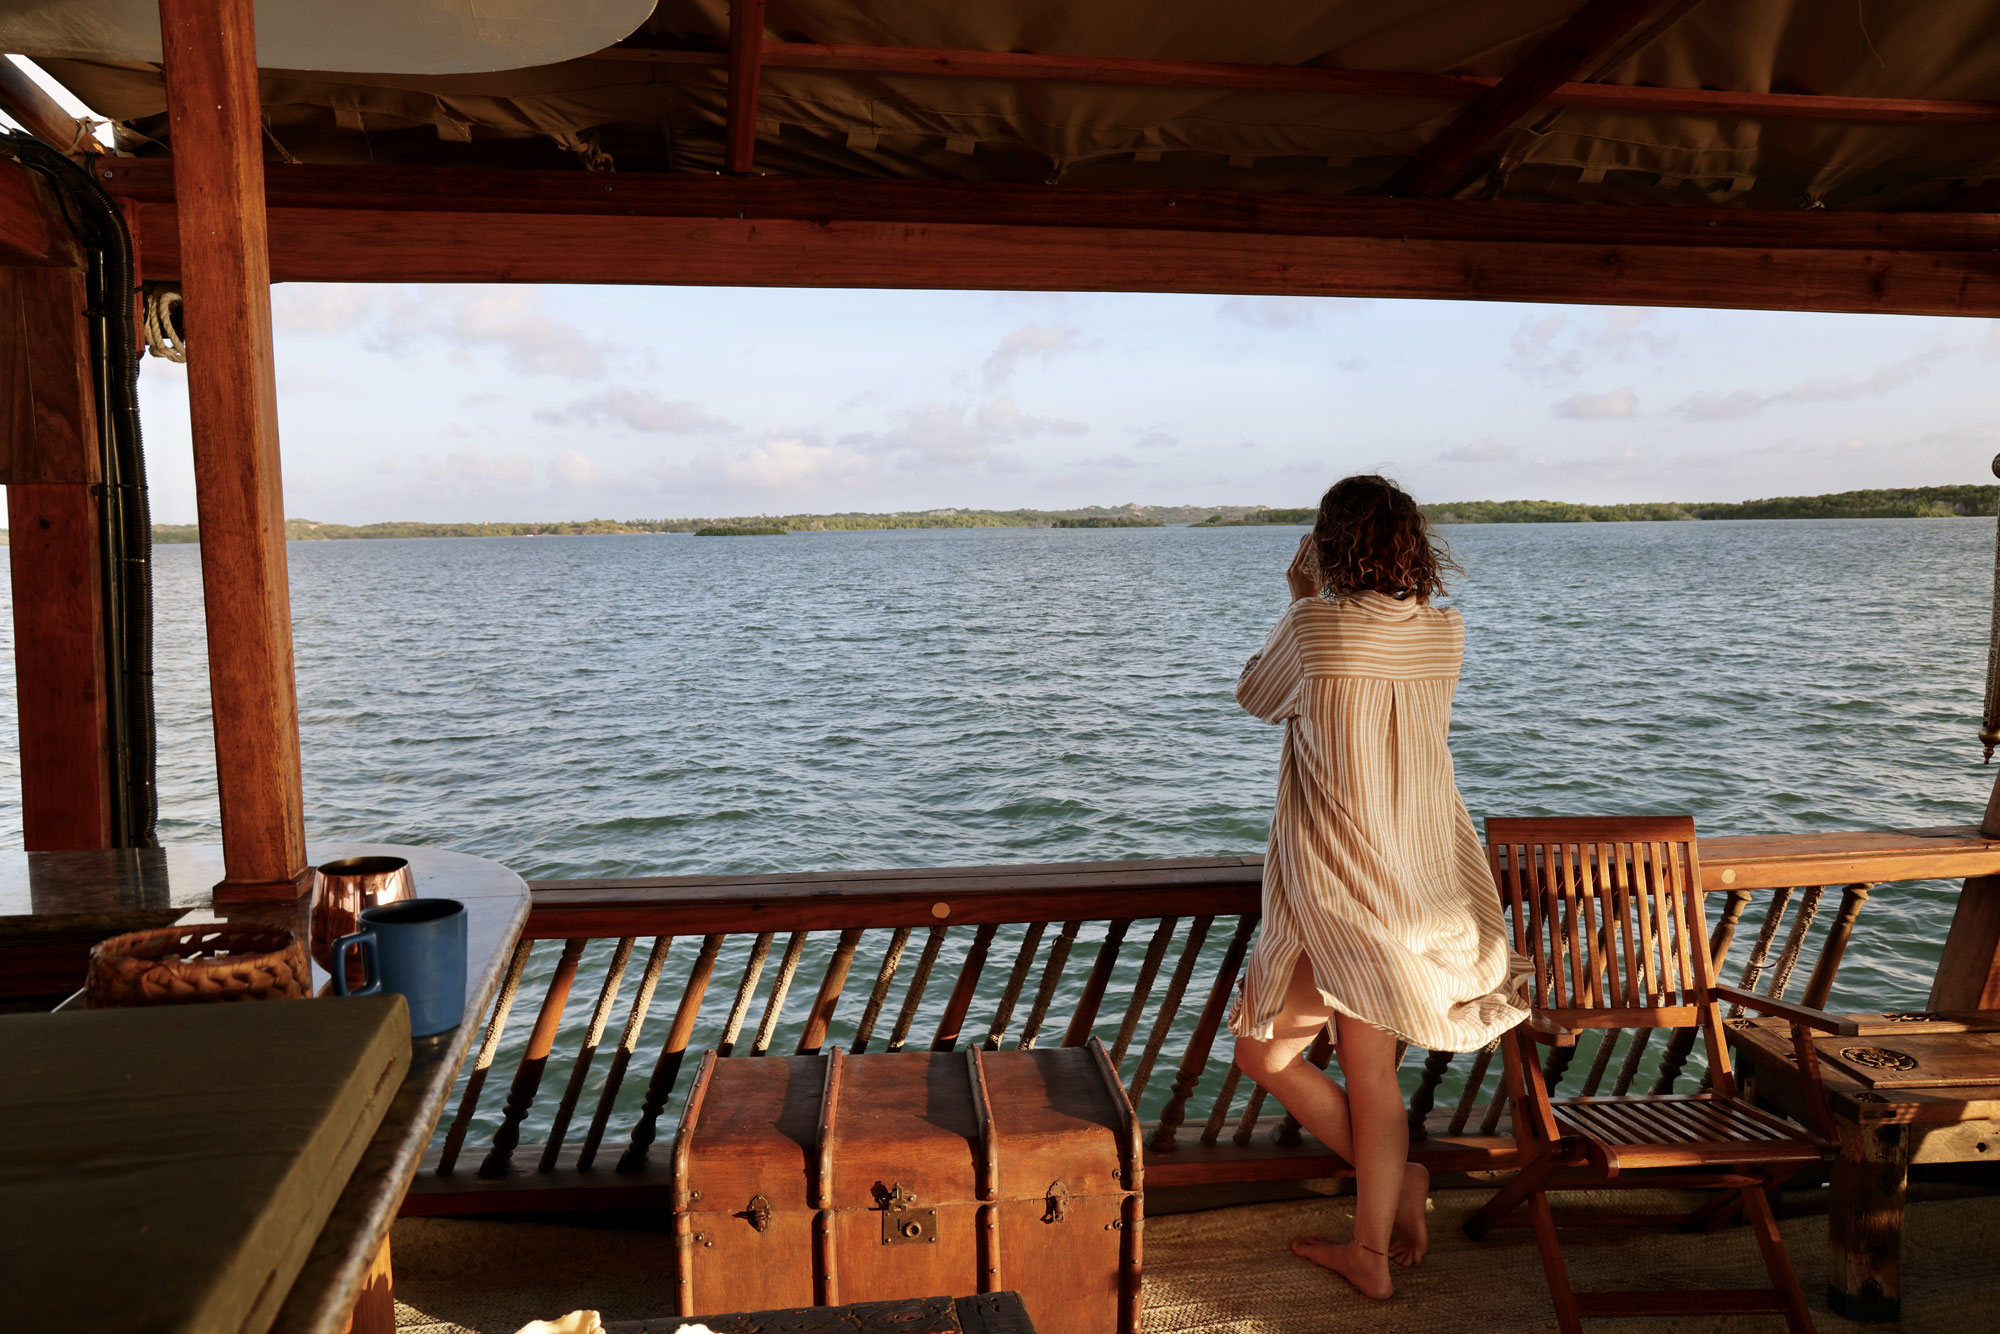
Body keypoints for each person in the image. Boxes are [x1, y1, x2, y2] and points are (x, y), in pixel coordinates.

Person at [1228, 474, 1529, 1301]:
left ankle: (1370, 1245)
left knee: (1278, 1056)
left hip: (1338, 879)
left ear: (1328, 547)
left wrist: (1296, 596)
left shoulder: (1312, 624)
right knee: (1310, 1062)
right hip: (1419, 875)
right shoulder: (1445, 633)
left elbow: (1256, 698)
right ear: (1412, 547)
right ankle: (1396, 1189)